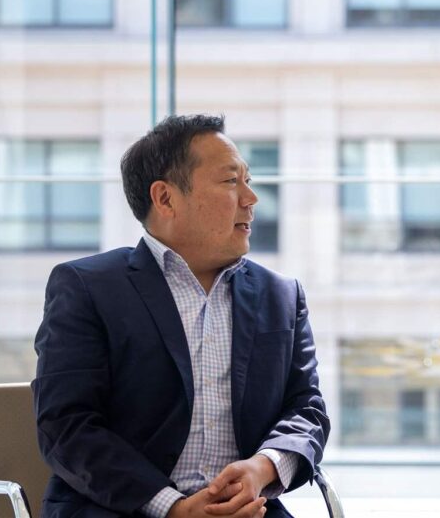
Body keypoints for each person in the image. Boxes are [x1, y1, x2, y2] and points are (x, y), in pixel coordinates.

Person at [33, 115, 329, 518]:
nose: (250, 198)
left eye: (248, 181)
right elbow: (66, 427)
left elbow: (306, 409)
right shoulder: (86, 288)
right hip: (122, 509)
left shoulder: (281, 295)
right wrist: (174, 508)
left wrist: (264, 468)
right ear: (166, 198)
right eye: (230, 181)